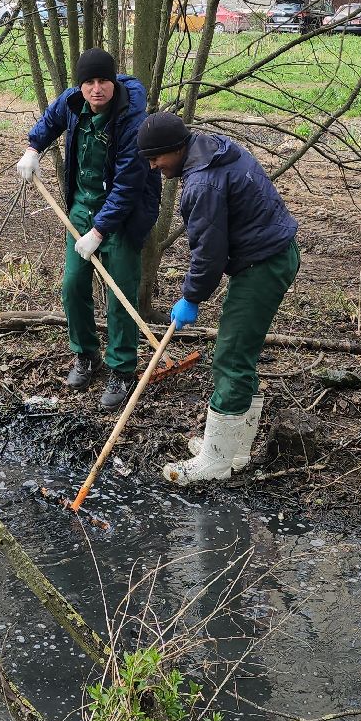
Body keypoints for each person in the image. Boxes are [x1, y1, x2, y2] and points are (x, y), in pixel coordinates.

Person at [139, 111, 300, 484]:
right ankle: (236, 450)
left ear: (176, 149)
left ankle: (215, 461)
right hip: (271, 254)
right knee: (240, 349)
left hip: (263, 265)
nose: (153, 166)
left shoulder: (202, 184)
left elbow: (209, 255)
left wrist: (191, 297)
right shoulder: (213, 147)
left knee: (230, 355)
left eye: (156, 158)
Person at [14, 47, 162, 411]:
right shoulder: (72, 101)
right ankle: (86, 355)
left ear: (113, 82)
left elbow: (129, 183)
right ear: (80, 85)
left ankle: (122, 369)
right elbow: (50, 121)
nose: (96, 89)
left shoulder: (132, 119)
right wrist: (33, 148)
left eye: (103, 81)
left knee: (119, 294)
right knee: (72, 286)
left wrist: (99, 232)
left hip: (123, 217)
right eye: (89, 82)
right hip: (81, 210)